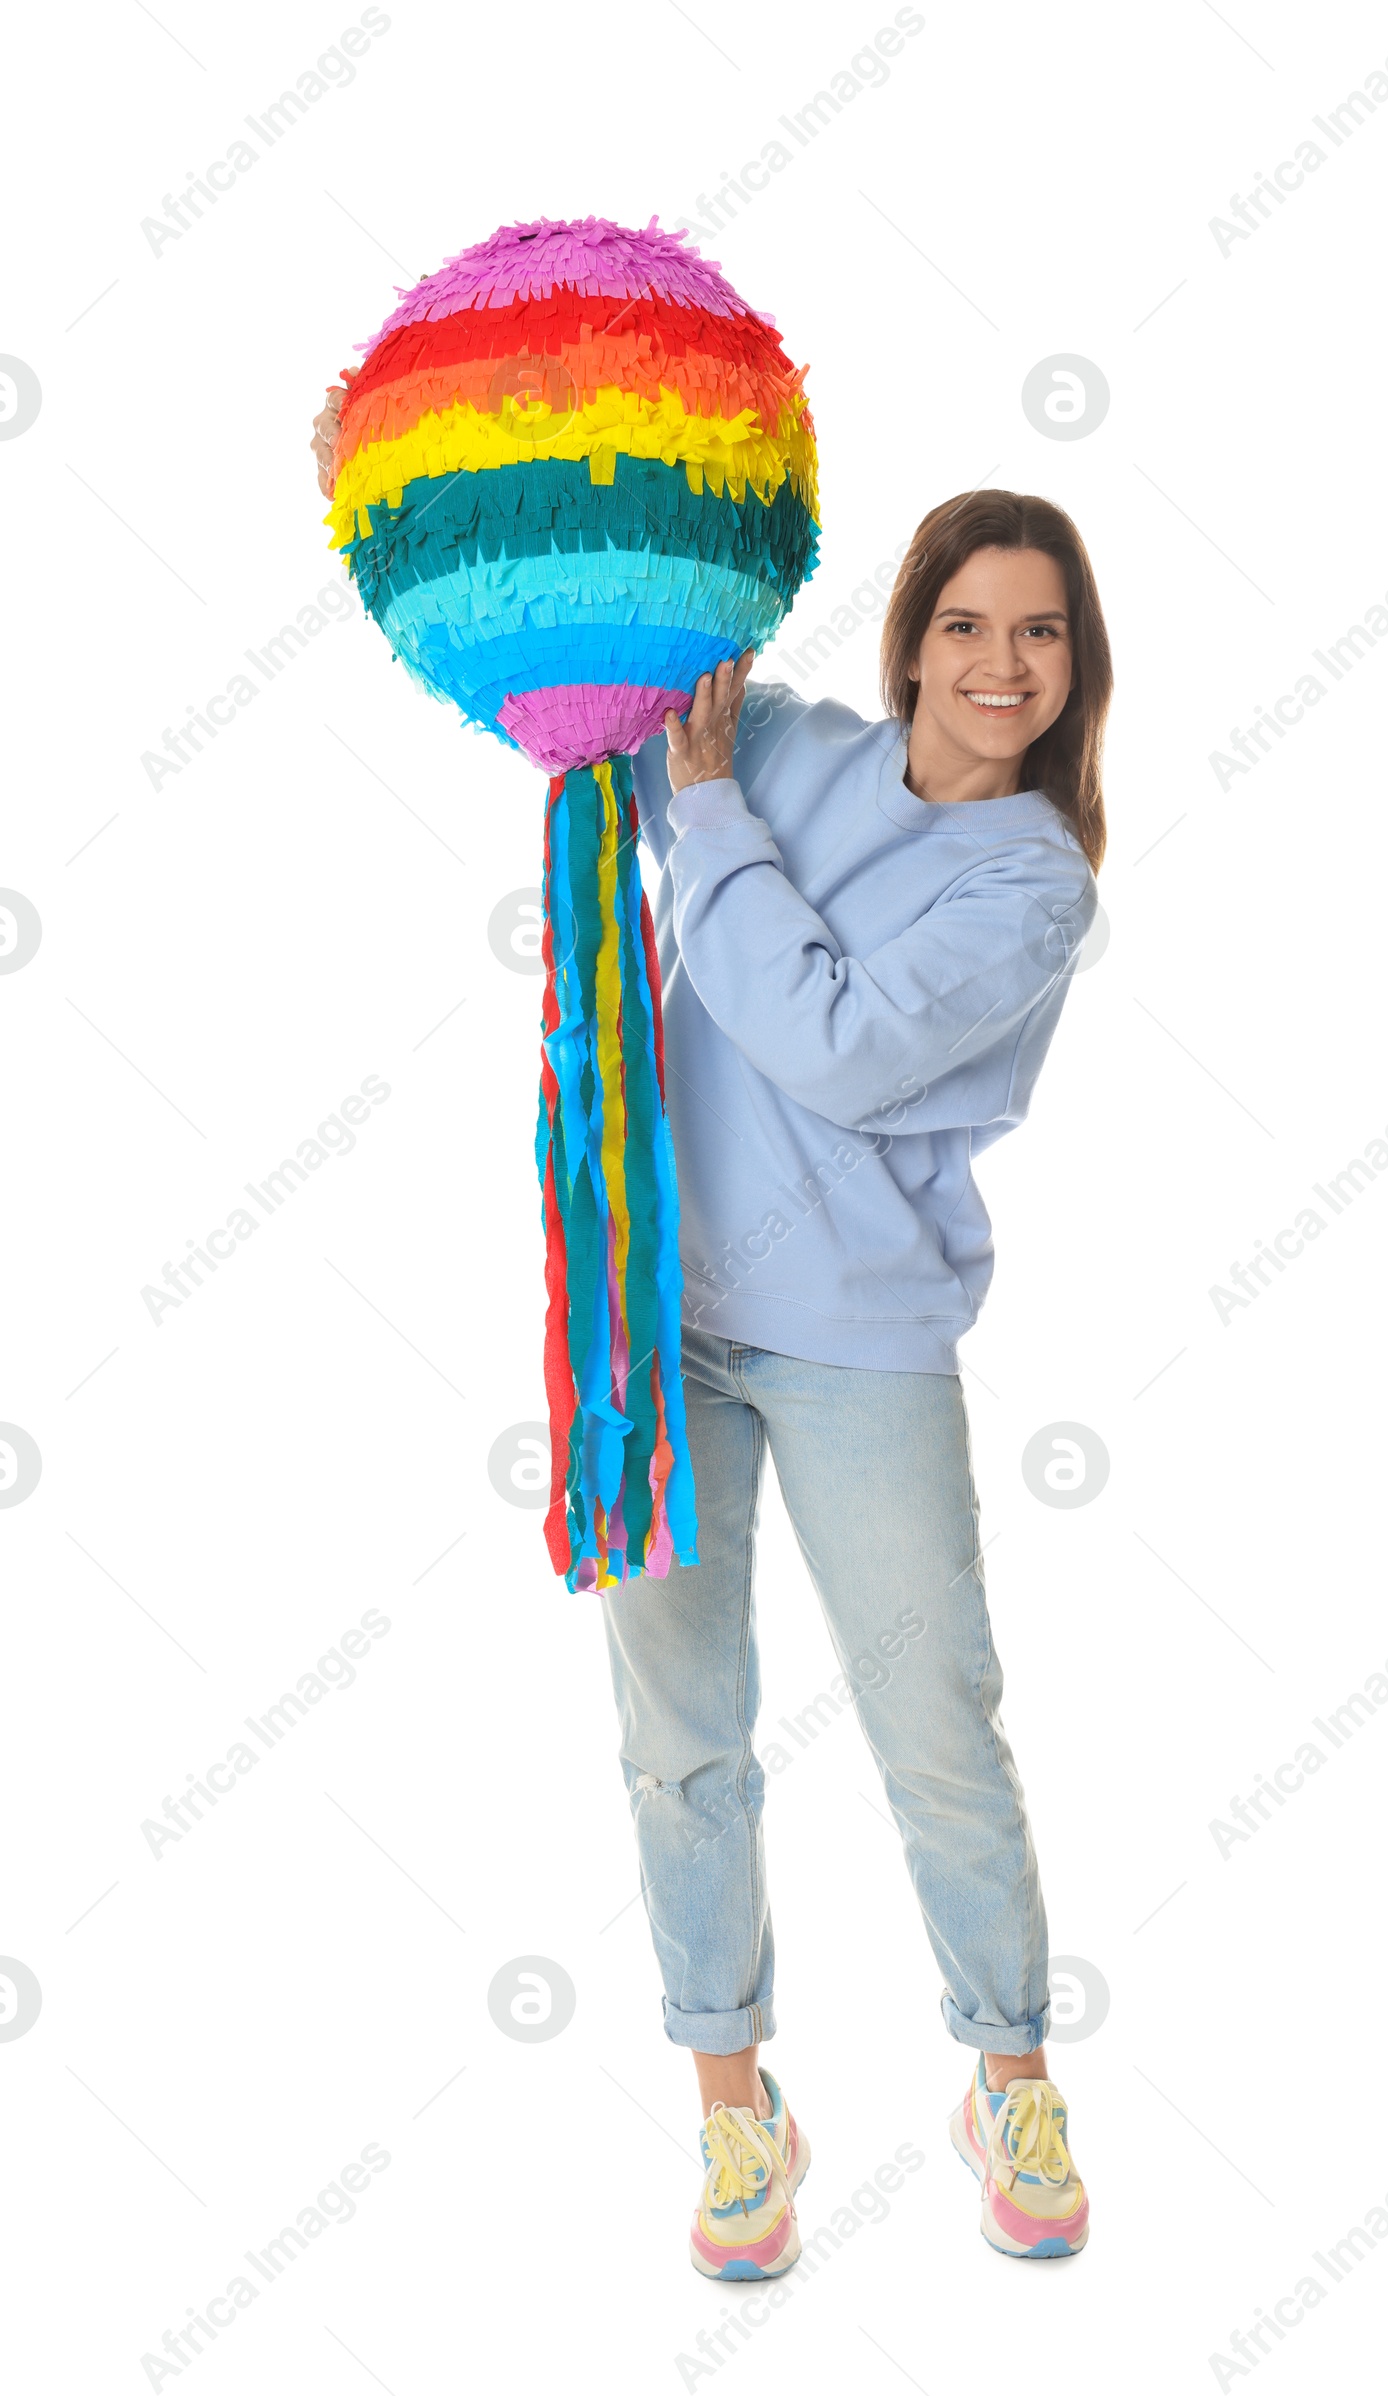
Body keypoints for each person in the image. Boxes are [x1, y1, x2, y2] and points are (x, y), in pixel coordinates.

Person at [313, 396, 1110, 2271]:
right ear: (910, 634)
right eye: (971, 622)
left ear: (1078, 672)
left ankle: (1007, 2068)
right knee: (683, 1740)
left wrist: (711, 816)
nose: (1003, 663)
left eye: (1044, 632)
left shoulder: (1033, 884)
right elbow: (637, 679)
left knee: (939, 1727)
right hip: (660, 1326)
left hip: (859, 1348)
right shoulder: (785, 752)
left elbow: (833, 1039)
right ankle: (736, 2113)